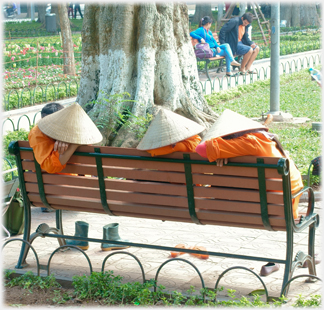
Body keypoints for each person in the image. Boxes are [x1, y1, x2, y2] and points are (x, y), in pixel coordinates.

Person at [195, 109, 305, 276]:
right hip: (285, 203)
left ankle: (274, 261)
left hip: (255, 205)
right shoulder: (262, 140)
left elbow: (200, 149)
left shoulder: (244, 143)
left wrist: (222, 148)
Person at [137, 108, 209, 259]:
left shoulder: (162, 149)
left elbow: (152, 151)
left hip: (166, 194)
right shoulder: (193, 142)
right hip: (193, 193)